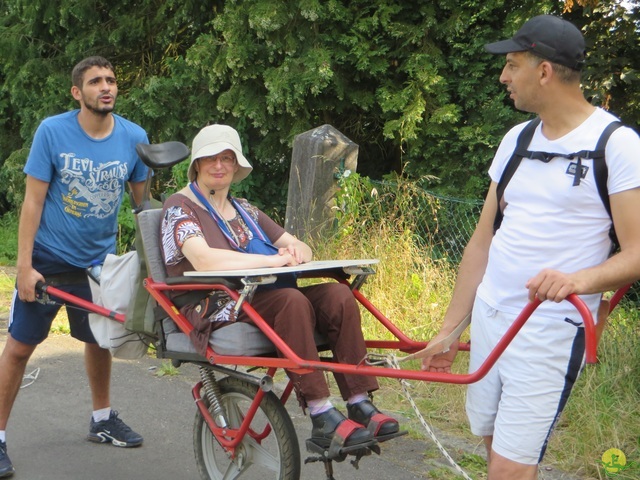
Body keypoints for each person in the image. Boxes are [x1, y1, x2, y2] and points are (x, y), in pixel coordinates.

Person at [421, 15, 640, 480]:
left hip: (549, 331)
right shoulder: (516, 141)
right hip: (491, 317)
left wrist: (578, 280)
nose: (504, 77)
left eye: (513, 65)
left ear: (544, 72)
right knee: (492, 444)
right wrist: (450, 327)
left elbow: (637, 251)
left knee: (508, 468)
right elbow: (482, 243)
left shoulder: (616, 146)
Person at [160, 124, 400, 456]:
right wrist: (272, 261)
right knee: (291, 300)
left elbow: (298, 245)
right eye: (210, 158)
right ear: (197, 165)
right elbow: (201, 259)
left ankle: (359, 401)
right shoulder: (179, 207)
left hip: (260, 295)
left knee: (338, 295)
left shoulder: (246, 209)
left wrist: (296, 252)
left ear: (236, 165)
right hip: (215, 302)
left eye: (226, 158)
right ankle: (320, 412)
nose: (218, 165)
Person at [0, 56, 148, 478]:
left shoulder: (134, 137)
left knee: (99, 339)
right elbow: (32, 202)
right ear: (76, 92)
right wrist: (23, 268)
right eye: (96, 81)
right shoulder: (53, 131)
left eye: (112, 80)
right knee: (19, 347)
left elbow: (143, 207)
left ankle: (102, 420)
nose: (107, 87)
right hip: (47, 260)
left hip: (96, 264)